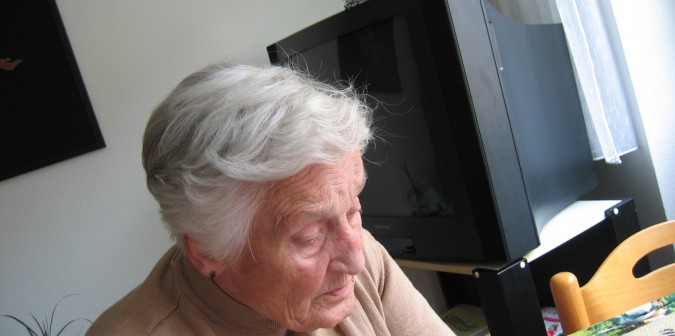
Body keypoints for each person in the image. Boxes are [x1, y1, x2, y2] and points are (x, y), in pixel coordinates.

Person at [87, 61, 455, 335]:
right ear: (207, 251)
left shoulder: (358, 256)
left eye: (354, 209)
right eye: (310, 236)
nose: (355, 258)